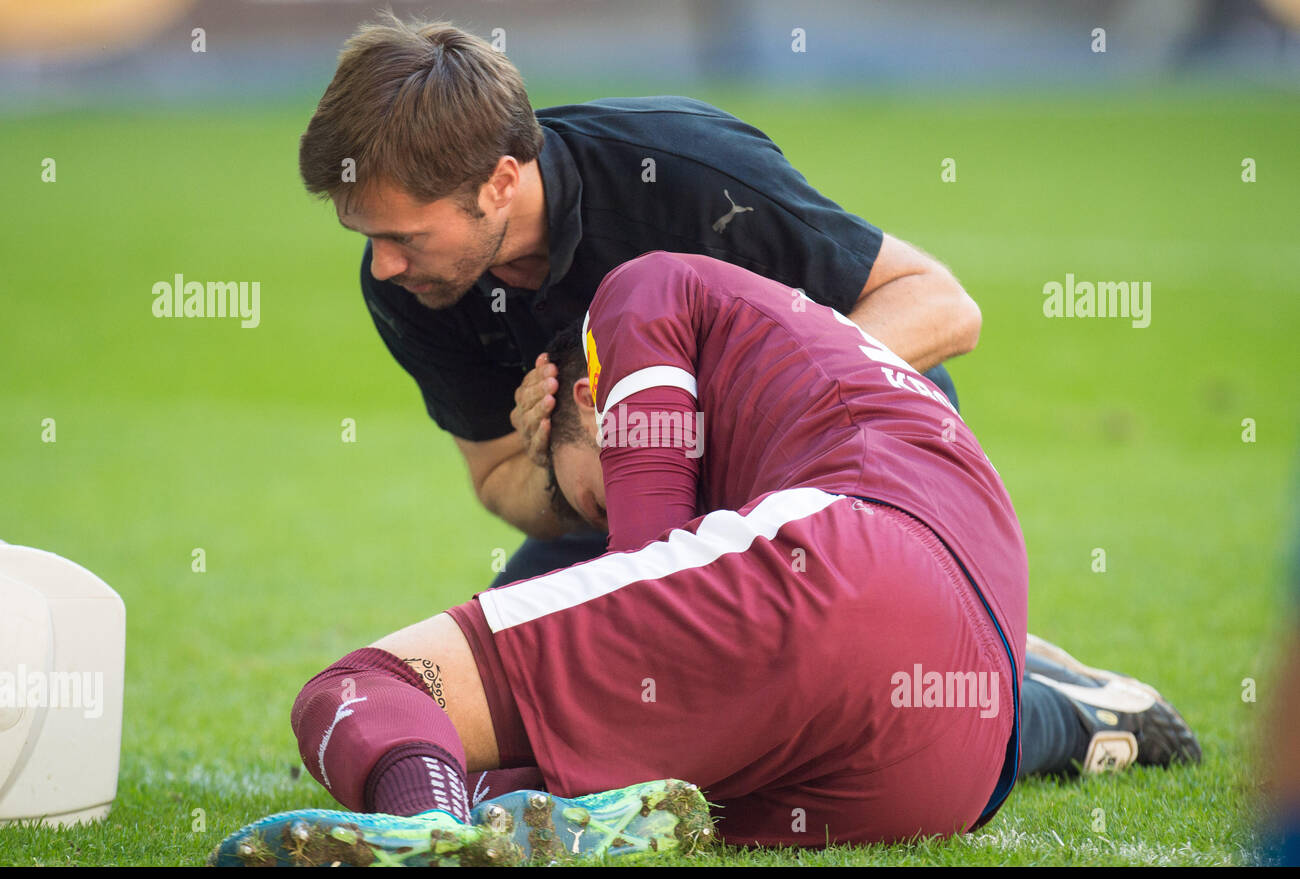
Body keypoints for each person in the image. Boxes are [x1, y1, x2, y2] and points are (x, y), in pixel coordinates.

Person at [293, 14, 1199, 810]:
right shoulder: (414, 288)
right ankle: (1021, 694)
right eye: (366, 238)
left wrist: (719, 413)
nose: (382, 268)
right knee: (516, 716)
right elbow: (499, 480)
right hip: (623, 510)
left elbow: (941, 304)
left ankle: (1006, 683)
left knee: (692, 696)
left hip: (838, 483)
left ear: (498, 181)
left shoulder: (679, 171)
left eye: (400, 236)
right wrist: (556, 461)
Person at [214, 253, 1195, 868]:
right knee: (581, 755)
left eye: (580, 498)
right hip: (958, 753)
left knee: (361, 685)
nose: (590, 530)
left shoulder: (636, 294)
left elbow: (647, 550)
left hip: (854, 567)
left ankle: (432, 827)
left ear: (585, 399)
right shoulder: (809, 371)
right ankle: (1084, 713)